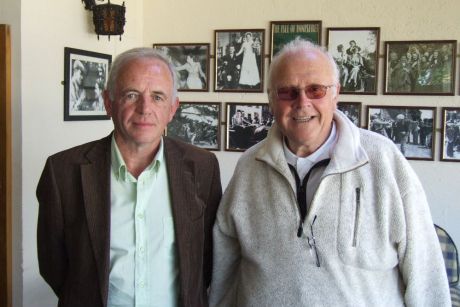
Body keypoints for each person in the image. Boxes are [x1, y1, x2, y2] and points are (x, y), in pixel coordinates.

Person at [209, 39, 450, 306]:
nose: (302, 103)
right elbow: (225, 268)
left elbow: (426, 275)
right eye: (288, 92)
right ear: (271, 100)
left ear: (336, 93)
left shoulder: (384, 161)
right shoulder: (249, 167)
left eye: (316, 90)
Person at [37, 48, 222, 306]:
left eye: (158, 97)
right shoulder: (63, 172)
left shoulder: (202, 167)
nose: (145, 108)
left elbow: (205, 260)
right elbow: (53, 266)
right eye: (131, 95)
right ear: (108, 102)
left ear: (173, 108)